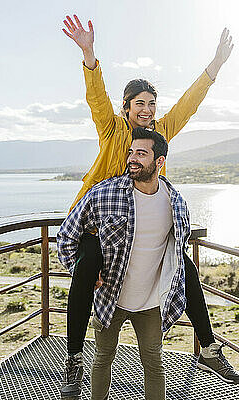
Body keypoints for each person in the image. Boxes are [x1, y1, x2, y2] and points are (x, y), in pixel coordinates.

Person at [59, 14, 239, 399]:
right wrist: (90, 54)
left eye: (151, 104)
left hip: (139, 224)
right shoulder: (113, 130)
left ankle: (209, 347)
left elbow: (189, 104)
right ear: (126, 108)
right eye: (139, 104)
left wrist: (215, 65)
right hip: (98, 226)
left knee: (186, 267)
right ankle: (74, 359)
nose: (147, 109)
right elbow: (96, 98)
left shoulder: (160, 135)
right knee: (85, 272)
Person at [58, 128, 190, 399]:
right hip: (110, 300)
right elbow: (66, 238)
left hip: (152, 303)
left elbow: (179, 252)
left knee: (154, 364)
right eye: (131, 152)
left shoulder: (175, 203)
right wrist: (82, 275)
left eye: (141, 153)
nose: (132, 158)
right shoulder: (103, 194)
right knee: (102, 358)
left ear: (160, 161)